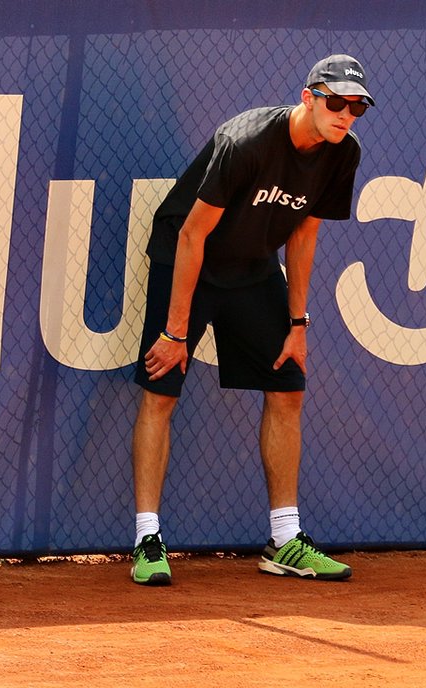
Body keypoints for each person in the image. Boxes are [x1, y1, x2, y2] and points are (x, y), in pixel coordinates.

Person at [129, 55, 373, 585]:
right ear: (308, 97)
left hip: (253, 266)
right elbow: (192, 236)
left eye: (357, 107)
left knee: (288, 387)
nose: (346, 115)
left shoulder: (341, 153)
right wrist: (175, 332)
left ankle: (284, 540)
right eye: (337, 102)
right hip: (189, 255)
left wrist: (298, 321)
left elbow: (304, 234)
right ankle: (147, 538)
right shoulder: (247, 142)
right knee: (161, 388)